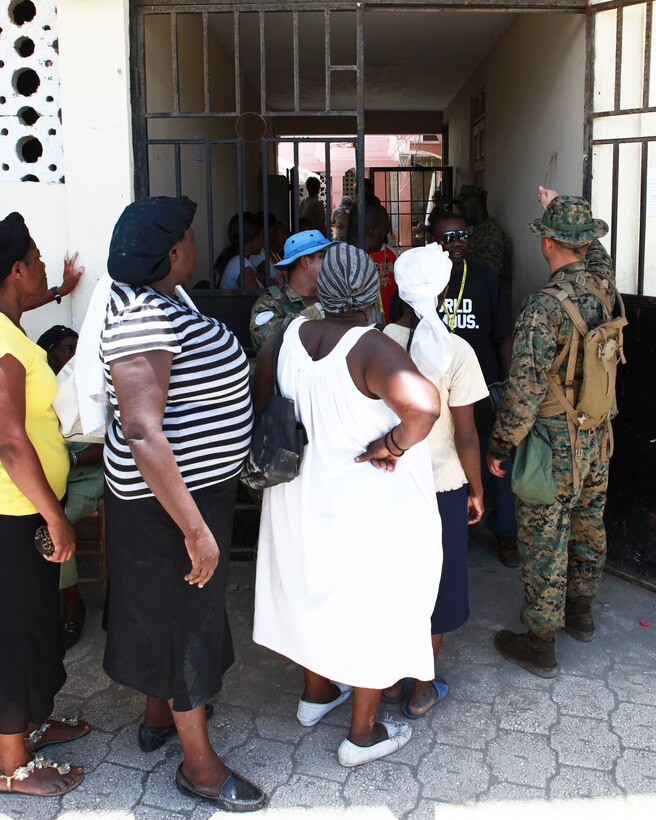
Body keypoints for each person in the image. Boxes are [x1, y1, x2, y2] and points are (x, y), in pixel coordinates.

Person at [101, 196, 265, 812]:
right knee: (185, 621)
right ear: (173, 253)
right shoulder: (143, 318)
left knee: (168, 612)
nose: (197, 246)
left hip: (188, 494)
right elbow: (143, 431)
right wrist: (195, 530)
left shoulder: (168, 298)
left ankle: (159, 717)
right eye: (190, 238)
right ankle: (199, 767)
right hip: (171, 507)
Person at [253, 243, 443, 768]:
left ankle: (316, 694)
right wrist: (393, 446)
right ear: (371, 293)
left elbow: (264, 398)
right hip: (363, 500)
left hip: (299, 494)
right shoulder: (370, 346)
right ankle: (362, 734)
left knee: (309, 589)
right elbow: (425, 406)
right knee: (371, 605)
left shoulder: (287, 335)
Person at [488, 188, 617, 679]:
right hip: (597, 436)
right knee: (588, 525)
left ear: (547, 244)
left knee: (546, 538)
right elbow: (598, 253)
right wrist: (561, 206)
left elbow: (522, 390)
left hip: (550, 444)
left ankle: (540, 643)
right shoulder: (605, 287)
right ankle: (580, 613)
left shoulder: (543, 308)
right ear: (584, 243)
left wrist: (501, 446)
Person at [0, 212, 88, 798]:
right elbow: (9, 440)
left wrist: (57, 289)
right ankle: (10, 763)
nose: (40, 262)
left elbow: (22, 305)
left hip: (28, 505)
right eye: (34, 257)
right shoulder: (4, 346)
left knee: (37, 624)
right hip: (14, 512)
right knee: (16, 631)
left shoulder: (12, 325)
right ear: (14, 269)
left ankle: (30, 724)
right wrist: (55, 515)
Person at [383, 244, 488, 718]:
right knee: (438, 584)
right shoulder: (457, 351)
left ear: (399, 292)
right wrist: (477, 487)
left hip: (387, 480)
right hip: (443, 484)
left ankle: (386, 681)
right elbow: (465, 433)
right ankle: (423, 685)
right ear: (444, 291)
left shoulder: (375, 344)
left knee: (393, 576)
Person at [428, 208, 518, 567]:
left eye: (463, 235)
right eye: (448, 237)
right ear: (433, 241)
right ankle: (455, 530)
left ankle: (505, 533)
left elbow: (503, 337)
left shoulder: (485, 279)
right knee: (448, 458)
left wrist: (508, 387)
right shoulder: (424, 282)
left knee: (494, 459)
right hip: (437, 391)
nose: (457, 243)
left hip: (481, 389)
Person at [37, 325, 104, 651]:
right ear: (50, 355)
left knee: (55, 525)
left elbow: (108, 447)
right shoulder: (39, 390)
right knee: (31, 520)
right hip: (49, 476)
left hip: (86, 475)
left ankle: (73, 605)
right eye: (66, 349)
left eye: (77, 348)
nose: (75, 356)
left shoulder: (90, 385)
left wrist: (71, 462)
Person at [249, 229, 336, 350]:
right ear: (305, 262)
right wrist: (317, 310)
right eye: (322, 257)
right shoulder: (270, 302)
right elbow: (266, 340)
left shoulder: (335, 297)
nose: (330, 263)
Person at [456, 185, 512, 294]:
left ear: (477, 206)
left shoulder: (492, 235)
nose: (460, 214)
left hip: (490, 300)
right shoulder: (480, 232)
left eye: (464, 209)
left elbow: (490, 275)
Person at [346, 202, 394, 325]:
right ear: (372, 231)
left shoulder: (347, 259)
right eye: (382, 230)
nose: (384, 234)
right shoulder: (356, 267)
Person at [214, 212, 264, 290]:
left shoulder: (234, 259)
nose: (263, 240)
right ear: (252, 237)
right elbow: (256, 300)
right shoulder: (241, 264)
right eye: (262, 235)